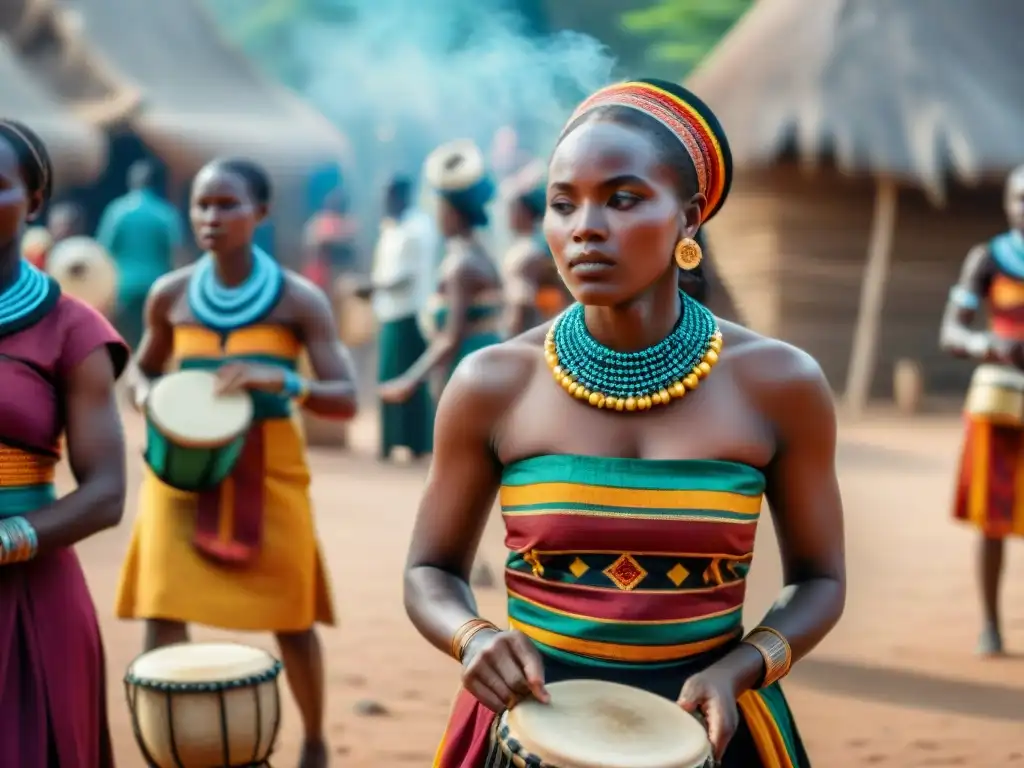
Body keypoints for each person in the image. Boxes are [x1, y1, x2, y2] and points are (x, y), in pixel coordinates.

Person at [404, 79, 846, 767]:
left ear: (689, 218)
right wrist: (473, 637)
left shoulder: (781, 384)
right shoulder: (492, 383)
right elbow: (430, 568)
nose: (584, 226)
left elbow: (820, 579)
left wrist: (740, 669)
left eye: (622, 198)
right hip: (533, 729)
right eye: (562, 203)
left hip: (709, 731)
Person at [114, 157, 358, 768]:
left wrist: (282, 380)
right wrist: (148, 395)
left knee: (291, 615)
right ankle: (162, 743)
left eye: (227, 204)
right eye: (201, 205)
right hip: (180, 477)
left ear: (261, 213)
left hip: (271, 475)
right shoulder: (170, 295)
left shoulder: (299, 300)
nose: (211, 217)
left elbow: (346, 399)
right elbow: (141, 368)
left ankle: (316, 739)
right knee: (163, 608)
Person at [0, 119, 129, 766]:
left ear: (35, 201)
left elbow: (106, 493)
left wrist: (7, 539)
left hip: (26, 596)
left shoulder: (72, 330)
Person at [940, 163, 1024, 657]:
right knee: (993, 517)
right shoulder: (987, 259)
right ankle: (991, 624)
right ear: (1007, 203)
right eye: (1019, 199)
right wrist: (985, 343)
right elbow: (951, 331)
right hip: (1000, 403)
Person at [378, 140, 503, 405]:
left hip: (467, 372)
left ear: (454, 213)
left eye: (439, 208)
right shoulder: (481, 254)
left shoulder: (460, 265)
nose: (436, 216)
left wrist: (408, 381)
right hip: (483, 369)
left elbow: (450, 338)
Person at [362, 174, 436, 460]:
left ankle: (416, 443)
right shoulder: (391, 227)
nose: (385, 201)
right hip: (390, 312)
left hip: (410, 313)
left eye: (390, 195)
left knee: (408, 379)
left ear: (404, 196)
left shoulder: (417, 227)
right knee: (388, 376)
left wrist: (371, 287)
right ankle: (390, 441)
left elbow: (406, 277)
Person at [96, 159, 184, 349]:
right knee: (152, 345)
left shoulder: (116, 211)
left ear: (132, 182)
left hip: (123, 288)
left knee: (125, 343)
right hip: (157, 290)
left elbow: (102, 254)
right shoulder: (166, 213)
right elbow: (176, 256)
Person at [501, 161, 570, 336]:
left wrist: (508, 346)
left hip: (538, 340)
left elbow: (521, 305)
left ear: (523, 212)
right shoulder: (547, 245)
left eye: (512, 207)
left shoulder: (525, 254)